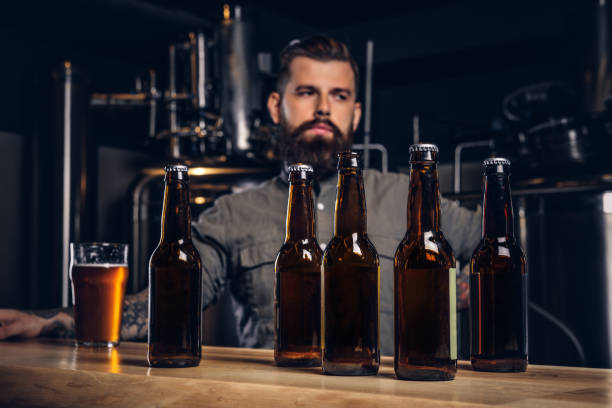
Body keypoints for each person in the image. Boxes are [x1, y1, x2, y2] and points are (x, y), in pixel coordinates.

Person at [0, 36, 481, 355]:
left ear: (355, 113)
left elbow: (499, 259)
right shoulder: (233, 214)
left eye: (338, 96)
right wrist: (50, 320)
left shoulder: (410, 196)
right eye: (306, 92)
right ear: (276, 105)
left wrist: (455, 293)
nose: (322, 109)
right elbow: (168, 300)